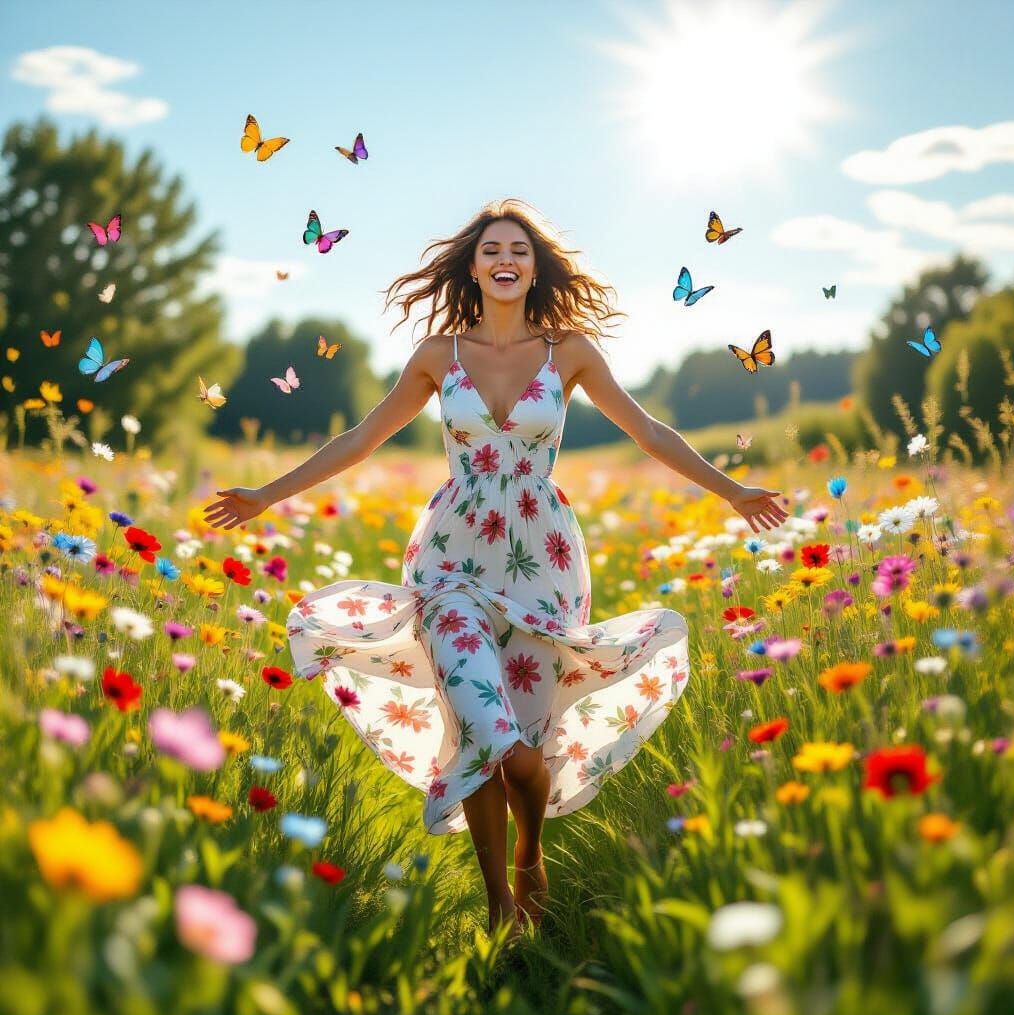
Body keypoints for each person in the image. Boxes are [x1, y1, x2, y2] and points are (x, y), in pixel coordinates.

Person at [202, 198, 788, 939]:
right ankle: (497, 904)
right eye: (490, 250)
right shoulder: (436, 355)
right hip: (450, 559)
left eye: (518, 248)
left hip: (542, 559)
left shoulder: (568, 351)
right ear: (473, 267)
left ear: (534, 266)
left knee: (526, 741)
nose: (504, 258)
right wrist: (265, 495)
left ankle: (532, 851)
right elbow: (358, 440)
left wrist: (733, 491)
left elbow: (647, 431)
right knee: (484, 730)